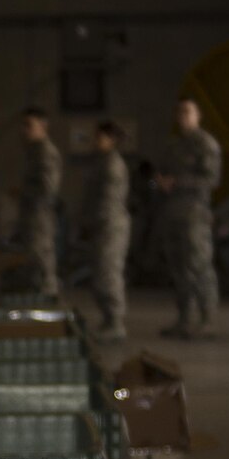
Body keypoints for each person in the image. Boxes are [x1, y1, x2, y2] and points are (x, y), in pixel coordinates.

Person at [157, 98, 222, 339]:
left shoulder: (205, 144)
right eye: (179, 112)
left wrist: (178, 182)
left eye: (188, 111)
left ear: (198, 115)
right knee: (178, 267)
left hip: (195, 214)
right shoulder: (173, 146)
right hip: (172, 213)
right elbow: (157, 177)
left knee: (199, 265)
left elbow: (212, 180)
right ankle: (185, 317)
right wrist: (159, 183)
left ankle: (208, 319)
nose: (183, 116)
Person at [81, 120, 131, 341]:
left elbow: (107, 202)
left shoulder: (112, 165)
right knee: (101, 272)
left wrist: (92, 222)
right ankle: (108, 319)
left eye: (99, 137)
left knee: (109, 273)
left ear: (111, 140)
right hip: (102, 225)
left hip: (110, 225)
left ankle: (116, 323)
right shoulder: (102, 162)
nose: (95, 141)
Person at [16, 107, 64, 297]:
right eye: (23, 125)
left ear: (43, 126)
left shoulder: (45, 152)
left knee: (41, 260)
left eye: (29, 125)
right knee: (33, 262)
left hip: (40, 216)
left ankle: (48, 302)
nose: (24, 130)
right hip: (31, 214)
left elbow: (48, 188)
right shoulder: (34, 151)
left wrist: (24, 191)